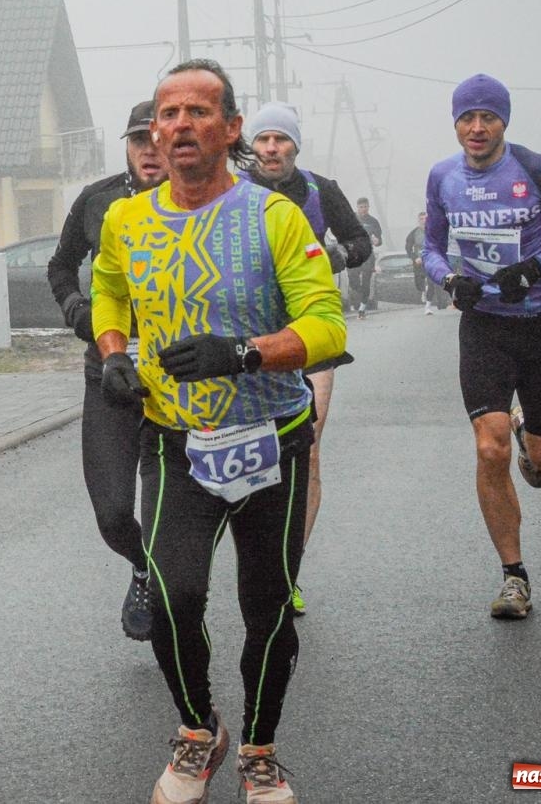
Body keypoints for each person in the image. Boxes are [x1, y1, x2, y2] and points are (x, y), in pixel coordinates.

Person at [93, 60, 346, 804]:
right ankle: (199, 729)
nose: (178, 127)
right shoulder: (126, 219)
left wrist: (244, 354)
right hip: (177, 441)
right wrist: (113, 353)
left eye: (198, 112)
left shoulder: (275, 216)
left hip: (273, 439)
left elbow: (327, 326)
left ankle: (262, 750)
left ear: (230, 129)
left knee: (268, 606)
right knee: (172, 597)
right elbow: (107, 286)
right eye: (167, 115)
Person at [421, 74, 541, 619]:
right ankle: (514, 577)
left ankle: (534, 436)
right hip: (484, 324)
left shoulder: (536, 168)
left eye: (488, 118)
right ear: (454, 122)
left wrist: (536, 267)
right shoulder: (443, 176)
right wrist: (448, 278)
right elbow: (434, 245)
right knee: (489, 445)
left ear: (505, 121)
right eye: (467, 118)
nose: (477, 128)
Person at [242, 102, 372, 616]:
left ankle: (286, 573)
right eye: (263, 140)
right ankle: (253, 555)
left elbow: (362, 241)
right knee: (247, 448)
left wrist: (333, 257)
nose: (272, 149)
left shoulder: (321, 190)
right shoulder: (232, 190)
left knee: (309, 447)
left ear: (295, 145)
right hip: (251, 334)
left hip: (313, 334)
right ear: (251, 146)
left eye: (281, 140)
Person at [47, 99, 167, 641]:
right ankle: (141, 566)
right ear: (127, 146)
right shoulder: (98, 200)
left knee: (171, 512)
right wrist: (77, 309)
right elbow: (60, 264)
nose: (150, 149)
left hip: (183, 378)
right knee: (114, 512)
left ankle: (169, 587)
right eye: (138, 139)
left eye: (158, 137)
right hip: (110, 371)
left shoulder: (200, 202)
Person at [347, 197, 383, 318]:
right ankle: (362, 292)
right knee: (352, 279)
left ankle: (362, 309)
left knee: (366, 280)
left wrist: (377, 241)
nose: (363, 209)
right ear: (357, 207)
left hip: (367, 254)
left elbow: (379, 239)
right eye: (361, 207)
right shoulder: (350, 218)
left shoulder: (373, 221)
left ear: (368, 207)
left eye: (365, 207)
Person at [404, 211, 440, 314]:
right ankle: (423, 290)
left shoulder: (433, 232)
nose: (424, 221)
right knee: (419, 284)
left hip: (430, 260)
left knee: (431, 283)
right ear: (418, 220)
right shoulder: (413, 233)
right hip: (418, 261)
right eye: (421, 219)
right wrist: (414, 258)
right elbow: (408, 248)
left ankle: (428, 307)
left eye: (426, 219)